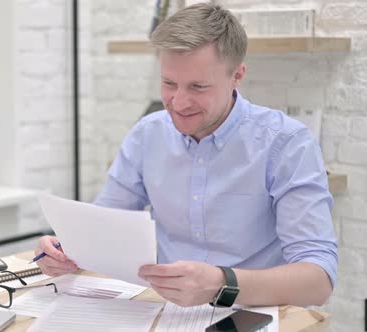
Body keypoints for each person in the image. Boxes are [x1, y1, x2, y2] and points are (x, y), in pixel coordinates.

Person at [34, 3, 337, 308]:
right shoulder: (147, 135)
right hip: (163, 311)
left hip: (252, 314)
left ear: (237, 75)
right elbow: (101, 229)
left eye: (198, 86)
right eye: (169, 83)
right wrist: (64, 251)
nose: (179, 102)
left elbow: (318, 280)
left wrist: (222, 283)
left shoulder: (286, 144)